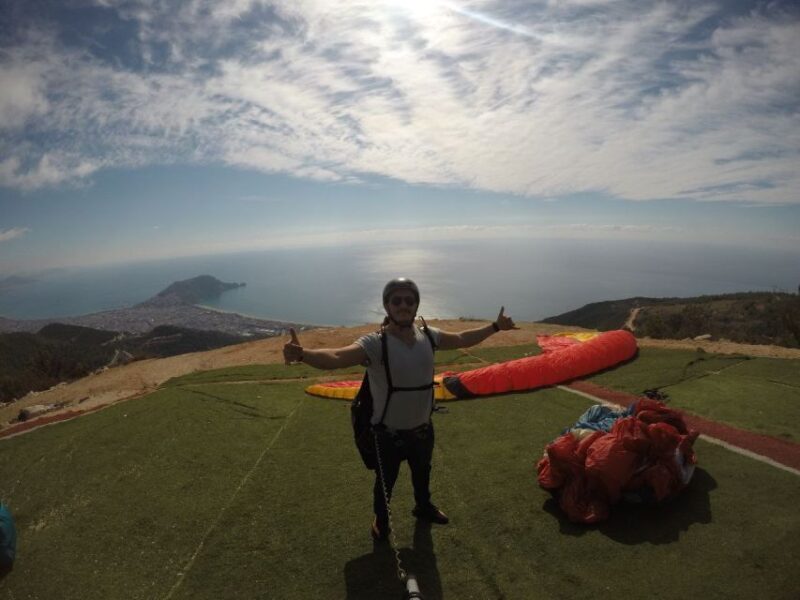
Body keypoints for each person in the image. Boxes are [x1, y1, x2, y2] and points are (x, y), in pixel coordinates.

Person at [283, 277, 517, 540]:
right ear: (387, 306)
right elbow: (338, 357)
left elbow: (462, 338)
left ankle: (423, 506)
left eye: (409, 300)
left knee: (422, 472)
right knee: (385, 483)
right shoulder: (375, 343)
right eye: (397, 300)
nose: (403, 305)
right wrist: (303, 355)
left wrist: (495, 327)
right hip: (387, 433)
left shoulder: (429, 336)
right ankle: (381, 521)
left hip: (422, 428)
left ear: (416, 305)